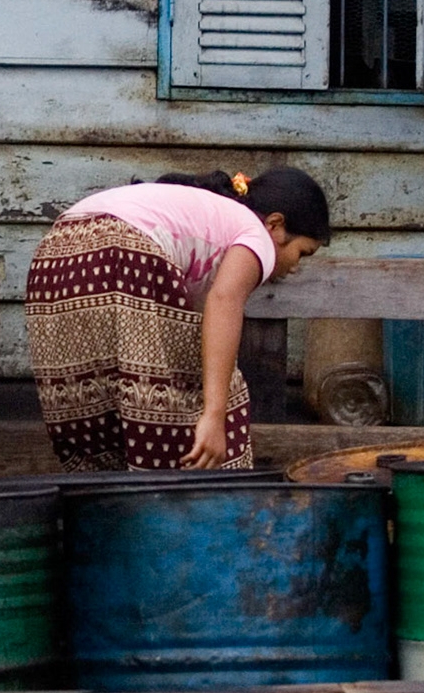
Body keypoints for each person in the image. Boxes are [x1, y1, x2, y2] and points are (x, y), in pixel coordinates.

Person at [24, 169, 331, 472]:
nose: (295, 268)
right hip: (124, 249)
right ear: (275, 225)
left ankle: (103, 496)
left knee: (96, 403)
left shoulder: (210, 216)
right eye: (303, 253)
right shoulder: (256, 234)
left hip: (57, 252)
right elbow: (224, 301)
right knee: (194, 399)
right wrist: (214, 415)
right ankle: (191, 500)